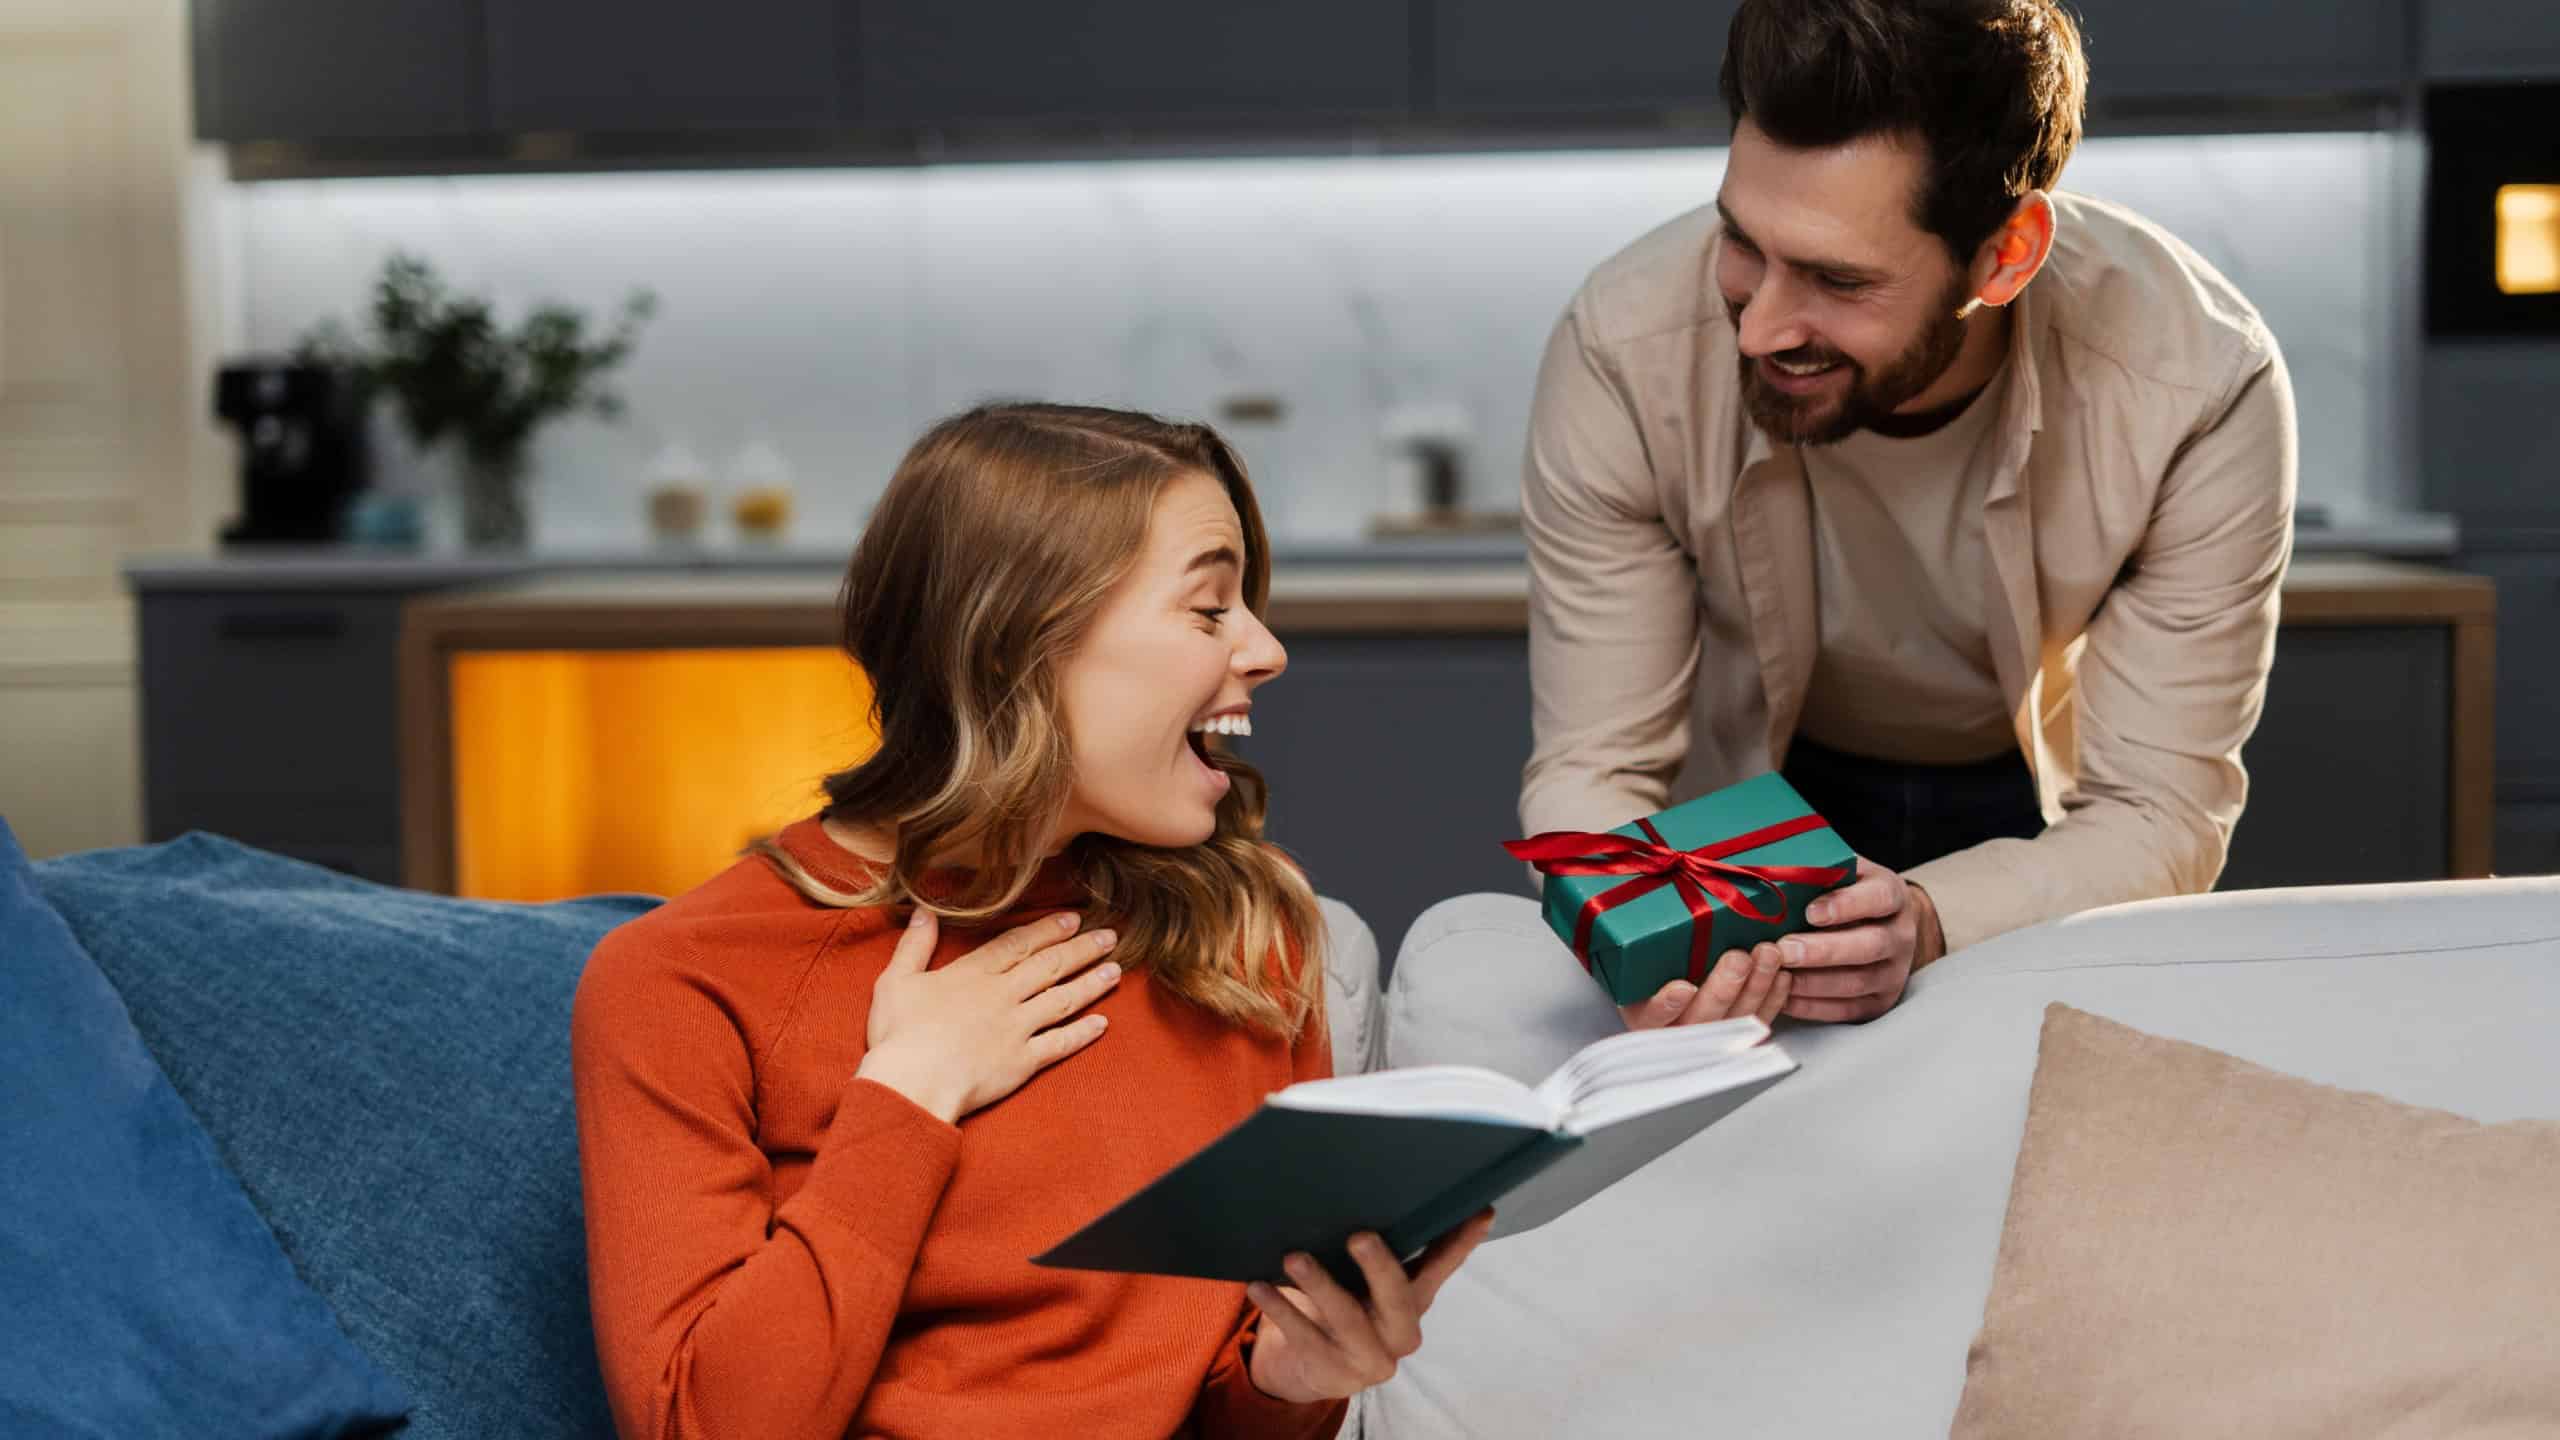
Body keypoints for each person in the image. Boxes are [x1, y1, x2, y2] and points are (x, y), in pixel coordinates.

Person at [572, 403, 1491, 1439]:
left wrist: (1295, 1377)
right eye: (1207, 609)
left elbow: (1225, 1413)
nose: (1265, 649)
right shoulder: (683, 978)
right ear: (1020, 644)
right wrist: (911, 1092)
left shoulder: (1241, 935)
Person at [1480, 0, 2296, 1029]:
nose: (1760, 326)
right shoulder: (1620, 346)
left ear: (2005, 257)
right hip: (1755, 798)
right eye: (1741, 242)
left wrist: (1931, 913)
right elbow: (1595, 766)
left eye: (1836, 279)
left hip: (2033, 808)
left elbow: (2155, 813)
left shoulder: (2199, 381)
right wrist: (1636, 950)